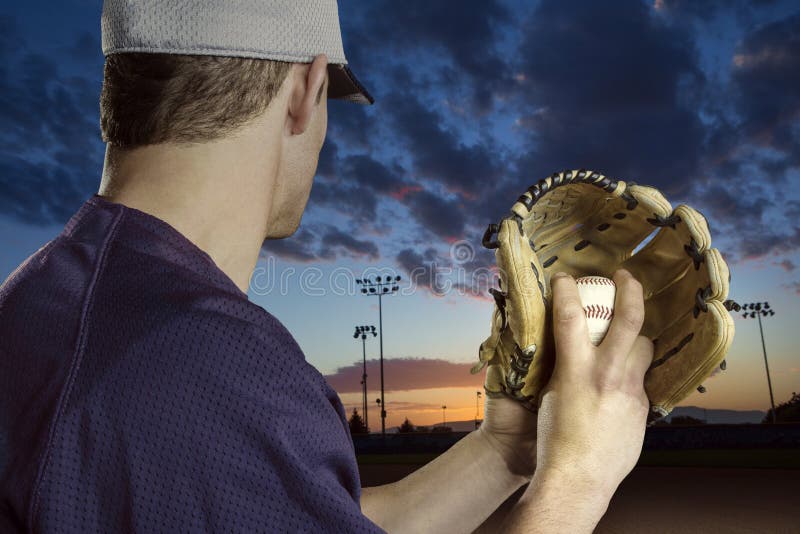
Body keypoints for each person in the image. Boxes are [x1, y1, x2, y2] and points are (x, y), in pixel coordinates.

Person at [0, 1, 653, 532]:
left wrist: (506, 451)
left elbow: (319, 519)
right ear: (305, 90)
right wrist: (576, 484)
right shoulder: (209, 366)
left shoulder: (43, 296)